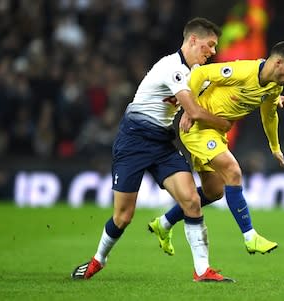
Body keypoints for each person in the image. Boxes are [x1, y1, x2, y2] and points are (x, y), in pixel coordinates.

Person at [71, 17, 235, 282]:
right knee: (123, 217)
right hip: (133, 140)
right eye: (210, 45)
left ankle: (203, 270)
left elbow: (226, 87)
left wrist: (271, 97)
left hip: (161, 142)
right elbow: (193, 108)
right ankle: (97, 261)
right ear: (193, 40)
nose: (213, 52)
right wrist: (221, 123)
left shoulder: (195, 74)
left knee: (192, 200)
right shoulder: (173, 67)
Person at [148, 41, 284, 256]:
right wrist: (189, 110)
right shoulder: (243, 71)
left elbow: (269, 115)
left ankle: (163, 224)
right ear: (278, 62)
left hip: (216, 132)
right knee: (233, 171)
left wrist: (275, 147)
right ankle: (250, 237)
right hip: (198, 127)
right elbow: (201, 74)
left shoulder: (275, 87)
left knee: (214, 192)